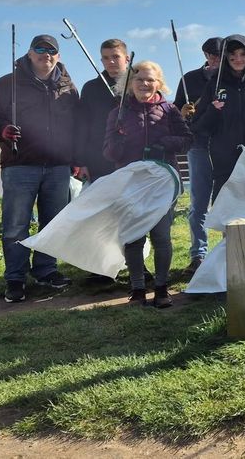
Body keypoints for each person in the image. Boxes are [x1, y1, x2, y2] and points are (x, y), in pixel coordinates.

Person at [0, 34, 78, 303]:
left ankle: (46, 270)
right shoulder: (7, 83)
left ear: (58, 55)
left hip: (58, 167)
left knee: (52, 223)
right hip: (20, 165)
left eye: (52, 50)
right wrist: (2, 130)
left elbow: (79, 124)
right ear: (30, 54)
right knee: (15, 226)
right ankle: (15, 278)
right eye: (40, 49)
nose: (46, 54)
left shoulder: (68, 86)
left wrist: (77, 158)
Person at [103, 61, 192, 308]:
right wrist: (119, 139)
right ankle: (138, 288)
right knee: (134, 237)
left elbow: (187, 140)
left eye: (150, 79)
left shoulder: (170, 109)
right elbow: (109, 153)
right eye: (139, 79)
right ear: (130, 83)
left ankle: (162, 288)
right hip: (131, 183)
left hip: (162, 183)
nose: (145, 83)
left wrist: (165, 143)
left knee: (161, 236)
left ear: (158, 83)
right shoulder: (117, 113)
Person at [190, 34, 245, 200]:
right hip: (225, 165)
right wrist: (212, 111)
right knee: (228, 219)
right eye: (232, 55)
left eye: (242, 54)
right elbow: (198, 127)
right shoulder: (214, 85)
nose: (238, 59)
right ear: (226, 58)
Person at [174, 37, 224, 273]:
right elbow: (175, 114)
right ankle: (198, 256)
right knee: (198, 204)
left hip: (225, 147)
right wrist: (183, 113)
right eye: (210, 54)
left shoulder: (230, 78)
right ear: (204, 55)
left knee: (228, 202)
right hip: (199, 147)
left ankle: (229, 251)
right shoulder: (189, 79)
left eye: (219, 54)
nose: (215, 58)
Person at [77, 39, 128, 183]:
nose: (111, 62)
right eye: (106, 58)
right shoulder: (90, 88)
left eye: (116, 56)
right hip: (99, 162)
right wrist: (82, 162)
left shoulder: (140, 85)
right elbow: (82, 126)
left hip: (133, 161)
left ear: (127, 58)